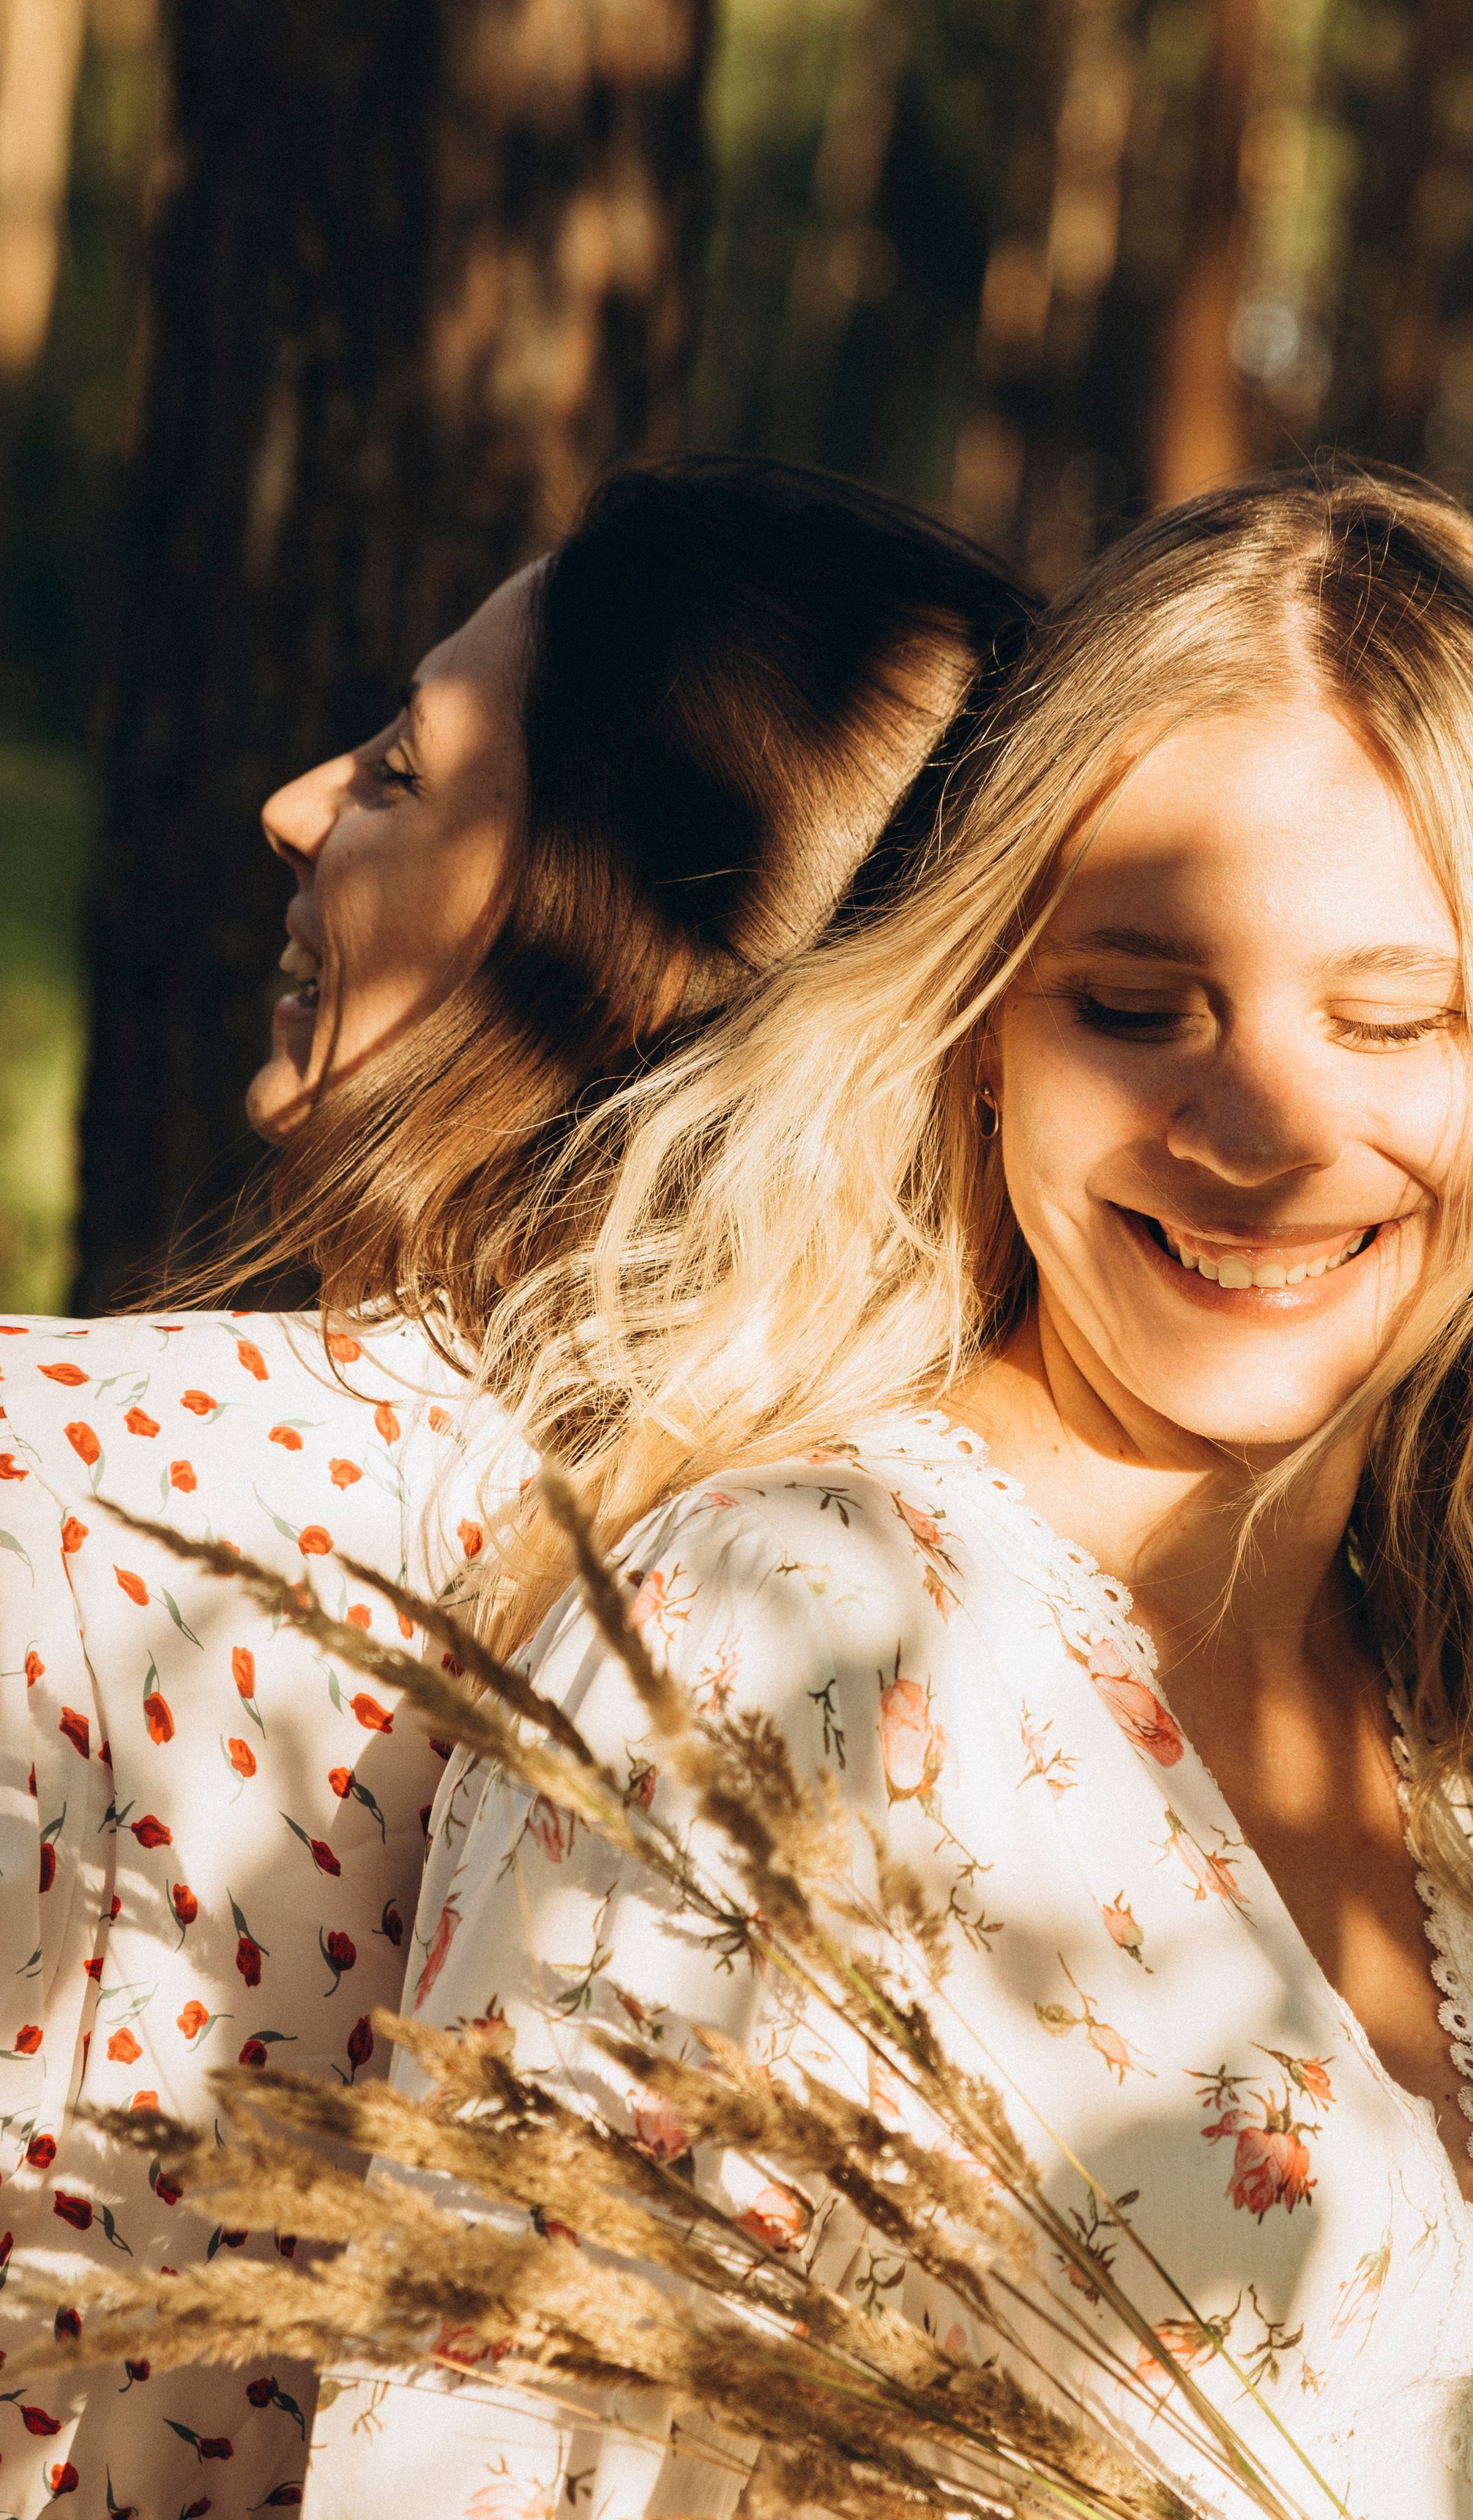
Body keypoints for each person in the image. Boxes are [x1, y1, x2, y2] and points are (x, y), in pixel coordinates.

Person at [306, 464, 1473, 2520]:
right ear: (977, 1032)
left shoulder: (1458, 1729)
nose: (1266, 1133)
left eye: (1393, 1020)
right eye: (1139, 1009)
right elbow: (466, 2451)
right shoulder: (790, 1623)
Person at [0, 457, 1035, 2520]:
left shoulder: (71, 1491)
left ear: (613, 926)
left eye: (398, 766)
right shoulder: (937, 1645)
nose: (299, 804)